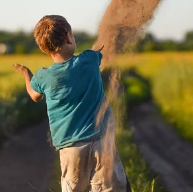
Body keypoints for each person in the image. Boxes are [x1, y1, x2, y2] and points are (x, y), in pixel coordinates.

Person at [13, 15, 130, 192]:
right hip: (101, 141)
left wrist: (26, 74)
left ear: (43, 48)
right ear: (68, 36)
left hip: (71, 148)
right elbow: (99, 52)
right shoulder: (89, 59)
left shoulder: (43, 77)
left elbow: (34, 95)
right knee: (110, 188)